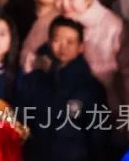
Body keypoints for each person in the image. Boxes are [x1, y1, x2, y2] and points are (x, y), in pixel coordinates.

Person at [21, 0, 129, 151]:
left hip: (104, 118)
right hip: (56, 119)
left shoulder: (113, 27)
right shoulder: (48, 22)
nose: (64, 4)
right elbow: (27, 57)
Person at [17, 17, 111, 161]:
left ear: (81, 47)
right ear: (49, 42)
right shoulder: (33, 81)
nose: (63, 47)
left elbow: (99, 137)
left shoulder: (91, 88)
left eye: (70, 42)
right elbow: (20, 123)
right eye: (57, 40)